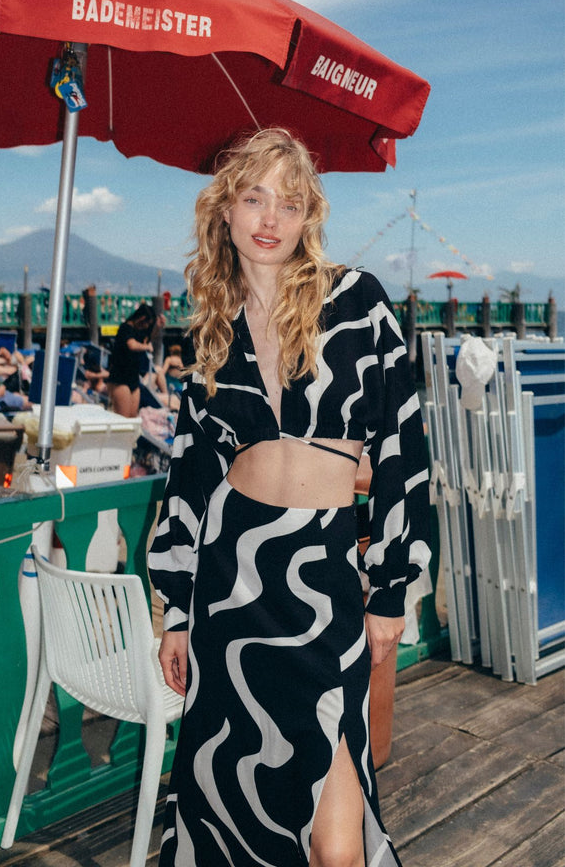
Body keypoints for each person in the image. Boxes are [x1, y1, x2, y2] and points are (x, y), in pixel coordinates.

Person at [148, 129, 431, 867]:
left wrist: (391, 591)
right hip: (229, 588)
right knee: (233, 800)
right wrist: (177, 612)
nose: (270, 218)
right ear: (226, 209)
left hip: (319, 582)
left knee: (337, 837)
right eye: (254, 198)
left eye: (291, 202)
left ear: (310, 217)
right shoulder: (212, 331)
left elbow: (402, 452)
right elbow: (189, 480)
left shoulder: (356, 303)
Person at [107, 303, 156, 417]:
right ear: (142, 318)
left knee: (133, 416)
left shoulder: (138, 331)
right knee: (124, 417)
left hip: (133, 378)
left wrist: (158, 327)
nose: (146, 327)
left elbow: (148, 338)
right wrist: (146, 347)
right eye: (147, 323)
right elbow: (132, 345)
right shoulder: (125, 328)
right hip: (120, 378)